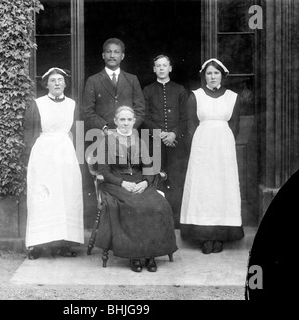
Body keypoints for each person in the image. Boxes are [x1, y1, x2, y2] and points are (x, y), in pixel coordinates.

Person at [94, 106, 178, 272]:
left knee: (158, 205)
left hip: (139, 181)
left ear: (134, 121)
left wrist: (145, 183)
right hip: (117, 183)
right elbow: (103, 171)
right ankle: (134, 256)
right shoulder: (106, 141)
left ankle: (151, 255)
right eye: (122, 120)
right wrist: (122, 183)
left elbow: (148, 167)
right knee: (133, 207)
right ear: (115, 121)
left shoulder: (140, 141)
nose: (126, 123)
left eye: (129, 120)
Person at [180, 58, 244, 254]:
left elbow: (235, 125)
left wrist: (222, 141)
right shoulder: (196, 96)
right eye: (209, 73)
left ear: (222, 76)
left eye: (216, 73)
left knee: (222, 187)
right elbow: (191, 125)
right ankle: (205, 237)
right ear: (204, 76)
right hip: (202, 147)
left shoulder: (233, 97)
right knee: (204, 188)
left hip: (223, 147)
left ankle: (221, 236)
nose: (213, 76)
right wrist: (201, 146)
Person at [24, 67, 84, 259]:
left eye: (60, 80)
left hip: (65, 152)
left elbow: (77, 131)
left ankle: (64, 244)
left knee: (66, 196)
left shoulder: (72, 105)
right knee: (43, 196)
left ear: (65, 83)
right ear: (46, 84)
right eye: (53, 80)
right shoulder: (38, 104)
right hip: (44, 153)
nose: (57, 83)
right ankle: (38, 245)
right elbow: (30, 132)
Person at [142, 54, 189, 225]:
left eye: (164, 65)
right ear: (154, 69)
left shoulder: (180, 90)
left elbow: (186, 118)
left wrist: (174, 134)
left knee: (176, 180)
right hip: (155, 142)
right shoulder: (147, 90)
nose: (161, 69)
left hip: (176, 143)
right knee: (156, 179)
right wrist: (161, 133)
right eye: (158, 66)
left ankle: (176, 221)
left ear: (170, 68)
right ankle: (158, 220)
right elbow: (144, 117)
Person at [82, 38, 145, 134]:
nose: (112, 55)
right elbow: (87, 111)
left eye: (116, 52)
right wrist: (103, 127)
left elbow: (140, 109)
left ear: (122, 56)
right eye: (108, 52)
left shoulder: (132, 79)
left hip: (128, 135)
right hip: (102, 136)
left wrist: (128, 127)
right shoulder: (93, 80)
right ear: (103, 55)